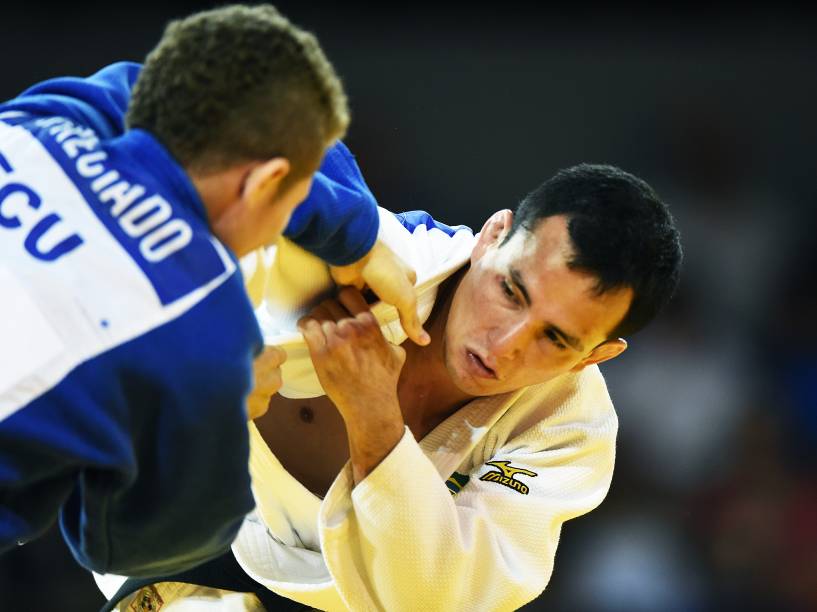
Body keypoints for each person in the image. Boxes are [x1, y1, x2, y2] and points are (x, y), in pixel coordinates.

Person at [96, 154, 683, 610]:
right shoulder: (360, 254)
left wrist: (374, 416)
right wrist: (194, 364)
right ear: (492, 237)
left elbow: (443, 599)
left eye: (555, 339)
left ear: (595, 355)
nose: (503, 345)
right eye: (511, 291)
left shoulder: (568, 427)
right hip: (181, 536)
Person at [0, 4, 427, 579]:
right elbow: (123, 547)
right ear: (265, 181)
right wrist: (225, 408)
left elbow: (130, 84)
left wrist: (356, 233)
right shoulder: (209, 325)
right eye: (291, 199)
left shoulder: (43, 121)